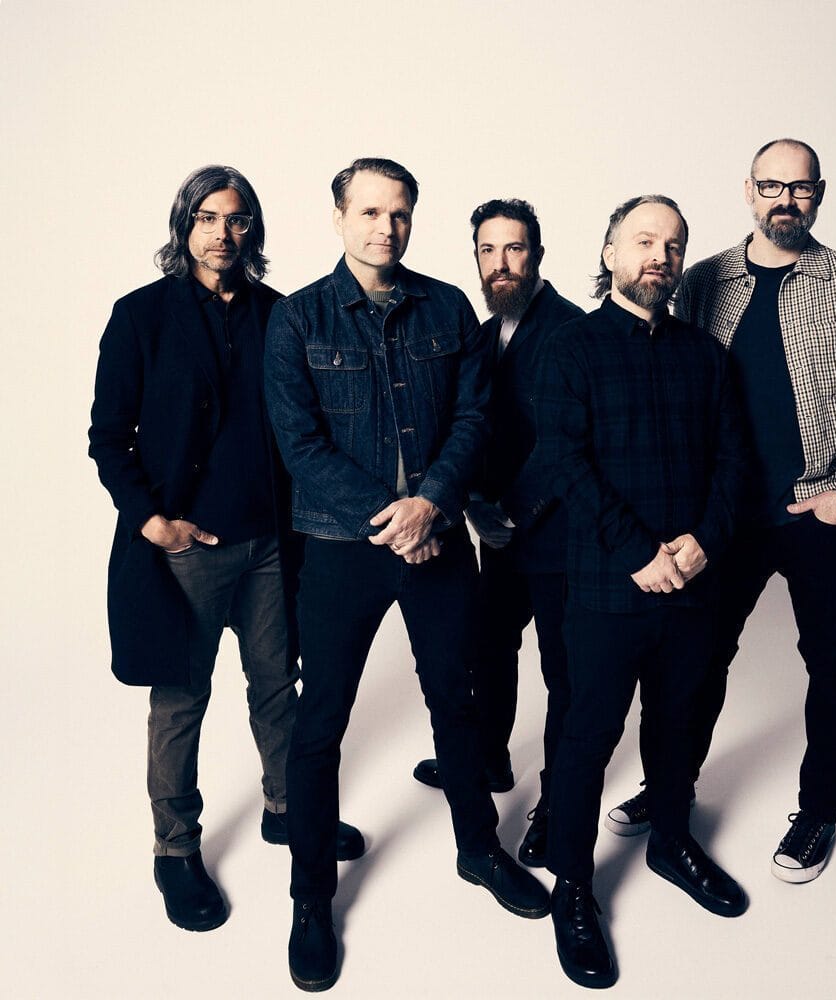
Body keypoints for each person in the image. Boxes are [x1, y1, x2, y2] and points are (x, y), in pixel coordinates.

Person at [264, 158, 550, 992]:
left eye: (400, 213)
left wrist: (431, 501)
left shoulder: (448, 306)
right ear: (339, 218)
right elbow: (301, 445)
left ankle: (477, 849)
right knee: (319, 729)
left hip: (436, 538)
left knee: (457, 707)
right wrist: (396, 520)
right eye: (370, 211)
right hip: (344, 545)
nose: (385, 227)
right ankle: (311, 895)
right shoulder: (298, 320)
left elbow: (475, 415)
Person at [606, 138, 836, 885]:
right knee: (698, 661)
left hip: (819, 512)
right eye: (771, 186)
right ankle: (672, 788)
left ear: (818, 194)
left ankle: (820, 810)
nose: (786, 200)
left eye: (800, 188)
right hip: (724, 517)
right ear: (748, 190)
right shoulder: (705, 278)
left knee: (832, 661)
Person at [88, 165, 363, 934]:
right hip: (186, 550)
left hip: (272, 544)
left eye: (236, 220)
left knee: (279, 687)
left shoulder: (281, 315)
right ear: (184, 228)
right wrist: (153, 522)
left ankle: (285, 810)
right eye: (207, 218)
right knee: (180, 700)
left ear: (254, 231)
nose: (222, 233)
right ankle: (174, 848)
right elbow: (108, 439)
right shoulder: (140, 316)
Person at [535, 195, 748, 989]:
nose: (660, 255)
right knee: (587, 739)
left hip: (692, 584)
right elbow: (566, 462)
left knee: (680, 722)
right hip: (607, 589)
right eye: (644, 241)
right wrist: (637, 553)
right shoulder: (572, 348)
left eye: (674, 244)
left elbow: (734, 464)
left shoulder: (705, 354)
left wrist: (704, 542)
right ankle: (575, 887)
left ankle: (669, 839)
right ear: (611, 250)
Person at [412, 198, 583, 868]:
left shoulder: (571, 329)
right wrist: (475, 504)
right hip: (498, 531)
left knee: (563, 675)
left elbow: (568, 439)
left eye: (514, 249)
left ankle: (556, 804)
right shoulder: (483, 335)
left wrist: (510, 510)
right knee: (488, 647)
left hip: (558, 534)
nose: (500, 263)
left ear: (536, 254)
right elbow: (472, 426)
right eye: (488, 250)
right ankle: (487, 761)